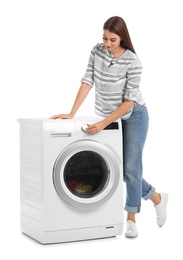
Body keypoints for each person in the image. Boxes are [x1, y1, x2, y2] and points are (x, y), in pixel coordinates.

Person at [50, 16, 168, 238]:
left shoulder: (133, 62)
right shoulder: (97, 51)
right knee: (116, 167)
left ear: (122, 37)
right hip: (109, 117)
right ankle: (157, 198)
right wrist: (71, 113)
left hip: (133, 116)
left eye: (112, 39)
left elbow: (129, 101)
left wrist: (104, 123)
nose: (107, 43)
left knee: (131, 168)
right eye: (104, 38)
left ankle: (131, 220)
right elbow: (88, 80)